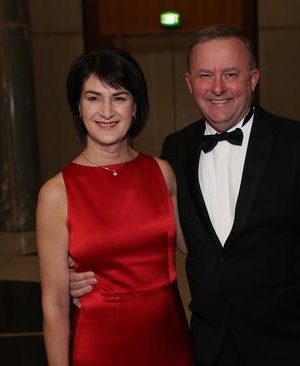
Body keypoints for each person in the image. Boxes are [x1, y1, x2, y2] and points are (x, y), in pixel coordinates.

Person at [70, 26, 300, 365]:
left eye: (230, 74)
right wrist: (87, 272)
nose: (217, 87)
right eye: (206, 75)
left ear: (253, 78)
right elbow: (147, 234)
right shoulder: (175, 151)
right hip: (210, 347)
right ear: (190, 84)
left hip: (289, 347)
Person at [36, 47, 193, 366]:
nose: (106, 111)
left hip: (170, 343)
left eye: (119, 97)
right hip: (100, 350)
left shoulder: (162, 173)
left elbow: (197, 245)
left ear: (135, 106)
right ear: (78, 108)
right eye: (93, 98)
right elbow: (54, 305)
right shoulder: (57, 192)